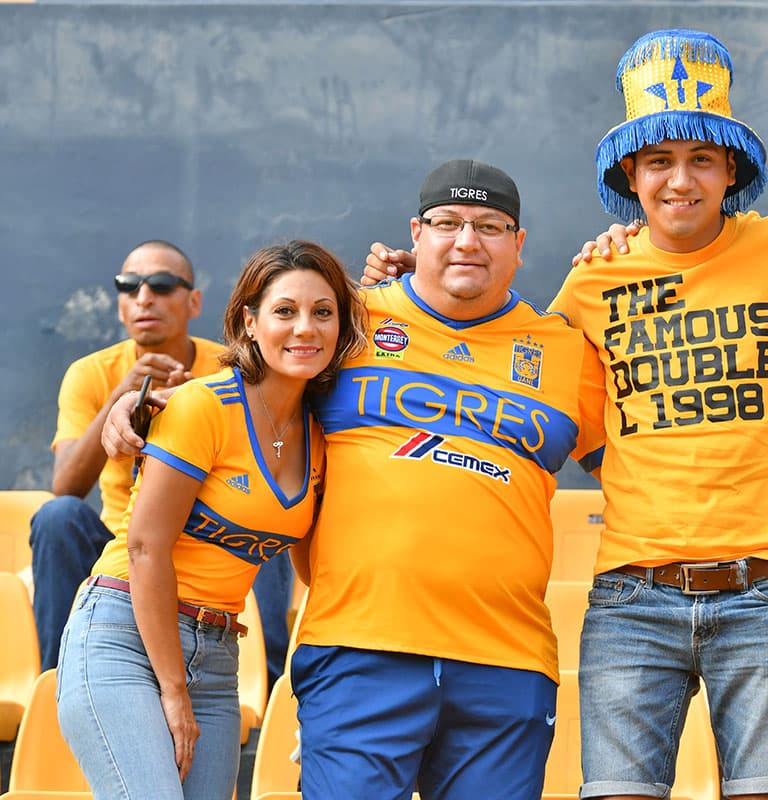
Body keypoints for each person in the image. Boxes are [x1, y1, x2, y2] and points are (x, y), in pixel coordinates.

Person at [364, 31, 768, 800]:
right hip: (633, 596)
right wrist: (390, 291)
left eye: (701, 160)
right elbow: (557, 415)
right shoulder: (590, 283)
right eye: (659, 162)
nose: (681, 180)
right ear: (630, 176)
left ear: (730, 170)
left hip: (767, 593)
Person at [104, 160, 607, 799]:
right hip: (357, 651)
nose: (467, 241)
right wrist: (142, 403)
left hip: (506, 662)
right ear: (415, 234)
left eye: (490, 226)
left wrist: (628, 248)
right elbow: (248, 383)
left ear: (520, 243)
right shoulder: (350, 322)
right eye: (447, 223)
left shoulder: (565, 348)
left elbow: (641, 458)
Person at [57, 240, 367, 800]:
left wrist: (328, 696)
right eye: (284, 311)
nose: (305, 328)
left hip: (219, 654)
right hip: (124, 634)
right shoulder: (203, 405)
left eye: (324, 312)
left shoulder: (325, 438)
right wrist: (173, 690)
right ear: (249, 322)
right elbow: (147, 548)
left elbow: (317, 576)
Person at [30, 240, 295, 686]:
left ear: (194, 301)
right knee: (58, 516)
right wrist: (120, 399)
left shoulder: (231, 368)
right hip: (120, 544)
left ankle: (267, 686)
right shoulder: (92, 373)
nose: (144, 297)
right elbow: (66, 485)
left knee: (271, 517)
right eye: (129, 287)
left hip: (210, 539)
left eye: (162, 285)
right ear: (119, 305)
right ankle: (59, 684)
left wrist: (202, 406)